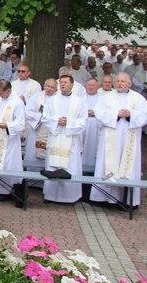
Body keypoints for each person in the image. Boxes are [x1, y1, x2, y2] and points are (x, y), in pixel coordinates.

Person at [91, 72, 147, 206]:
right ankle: (103, 198)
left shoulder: (138, 99)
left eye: (123, 81)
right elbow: (98, 113)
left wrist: (130, 115)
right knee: (108, 164)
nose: (120, 83)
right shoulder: (107, 97)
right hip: (111, 136)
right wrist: (116, 114)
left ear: (130, 83)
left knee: (128, 165)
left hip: (129, 138)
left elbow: (144, 115)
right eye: (118, 81)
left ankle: (128, 200)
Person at [41, 74, 87, 203]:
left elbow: (83, 121)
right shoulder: (52, 100)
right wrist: (56, 121)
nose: (63, 84)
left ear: (72, 85)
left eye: (66, 82)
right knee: (52, 166)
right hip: (56, 136)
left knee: (70, 167)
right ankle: (51, 196)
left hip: (70, 139)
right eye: (61, 82)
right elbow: (45, 117)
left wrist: (69, 122)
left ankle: (69, 197)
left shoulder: (79, 101)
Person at [0, 79, 26, 200]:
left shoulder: (17, 102)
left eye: (1, 93)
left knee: (7, 163)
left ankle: (6, 191)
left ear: (8, 90)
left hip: (8, 139)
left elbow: (21, 123)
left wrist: (8, 126)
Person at [24, 78, 58, 163]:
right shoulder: (36, 96)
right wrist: (40, 117)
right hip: (37, 127)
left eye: (52, 87)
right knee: (33, 151)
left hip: (50, 129)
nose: (49, 89)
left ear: (56, 89)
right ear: (44, 86)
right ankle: (31, 173)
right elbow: (28, 111)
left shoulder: (58, 99)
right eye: (48, 86)